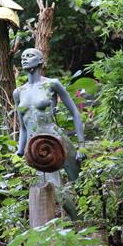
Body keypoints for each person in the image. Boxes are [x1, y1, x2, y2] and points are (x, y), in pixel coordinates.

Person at [13, 48, 85, 218]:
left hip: (58, 140)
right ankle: (78, 223)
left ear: (40, 61)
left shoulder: (52, 84)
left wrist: (81, 145)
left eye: (29, 56)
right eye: (22, 56)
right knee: (56, 190)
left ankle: (91, 226)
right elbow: (23, 127)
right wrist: (20, 150)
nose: (24, 59)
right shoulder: (18, 92)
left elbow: (75, 112)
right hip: (38, 148)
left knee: (81, 186)